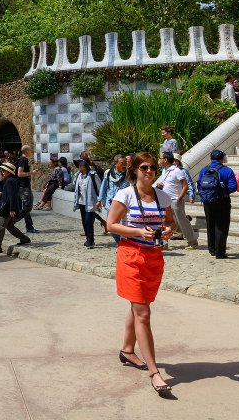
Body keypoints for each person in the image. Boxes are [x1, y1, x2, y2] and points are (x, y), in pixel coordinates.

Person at [106, 152, 176, 398]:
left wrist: (167, 230)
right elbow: (111, 225)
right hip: (131, 256)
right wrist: (137, 232)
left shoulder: (162, 195)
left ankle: (127, 350)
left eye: (153, 167)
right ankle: (155, 372)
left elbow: (171, 222)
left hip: (154, 258)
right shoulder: (124, 194)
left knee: (138, 307)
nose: (149, 171)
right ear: (135, 170)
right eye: (144, 167)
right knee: (143, 313)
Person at [196, 150, 238, 259]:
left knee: (210, 224)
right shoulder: (227, 171)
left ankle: (212, 249)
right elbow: (233, 187)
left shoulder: (203, 170)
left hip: (207, 201)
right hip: (222, 202)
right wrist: (222, 192)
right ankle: (220, 252)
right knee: (222, 226)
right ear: (222, 159)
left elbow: (199, 184)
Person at [155, 152, 198, 249]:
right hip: (166, 201)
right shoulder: (165, 171)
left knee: (182, 221)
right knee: (166, 222)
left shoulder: (177, 170)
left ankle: (192, 241)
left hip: (175, 200)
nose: (159, 160)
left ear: (165, 160)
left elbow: (185, 185)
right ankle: (164, 243)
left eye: (160, 158)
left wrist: (179, 198)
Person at [0, 162, 30, 254]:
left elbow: (12, 196)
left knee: (1, 226)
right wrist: (2, 193)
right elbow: (11, 194)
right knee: (10, 226)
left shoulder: (10, 181)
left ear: (8, 171)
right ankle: (24, 239)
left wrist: (12, 209)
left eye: (3, 170)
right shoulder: (10, 180)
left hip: (7, 208)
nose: (2, 171)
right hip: (9, 207)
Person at [95, 155, 130, 243]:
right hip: (110, 205)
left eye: (125, 163)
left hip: (124, 205)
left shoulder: (128, 174)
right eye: (122, 163)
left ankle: (125, 245)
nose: (124, 165)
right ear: (115, 164)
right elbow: (103, 187)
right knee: (111, 227)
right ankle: (121, 243)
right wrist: (99, 200)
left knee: (124, 227)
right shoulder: (108, 173)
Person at [72, 158, 102, 248]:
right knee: (84, 221)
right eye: (79, 166)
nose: (80, 168)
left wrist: (99, 200)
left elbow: (99, 188)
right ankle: (88, 239)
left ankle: (91, 240)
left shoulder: (93, 175)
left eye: (82, 165)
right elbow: (74, 185)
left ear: (86, 166)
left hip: (91, 202)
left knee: (89, 221)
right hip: (81, 202)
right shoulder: (78, 176)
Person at [15, 147, 37, 233]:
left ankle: (30, 227)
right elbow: (20, 174)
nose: (31, 152)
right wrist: (32, 173)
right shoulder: (23, 159)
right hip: (24, 187)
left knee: (26, 206)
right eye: (31, 150)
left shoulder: (21, 159)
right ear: (27, 151)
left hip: (23, 186)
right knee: (28, 207)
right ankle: (13, 221)